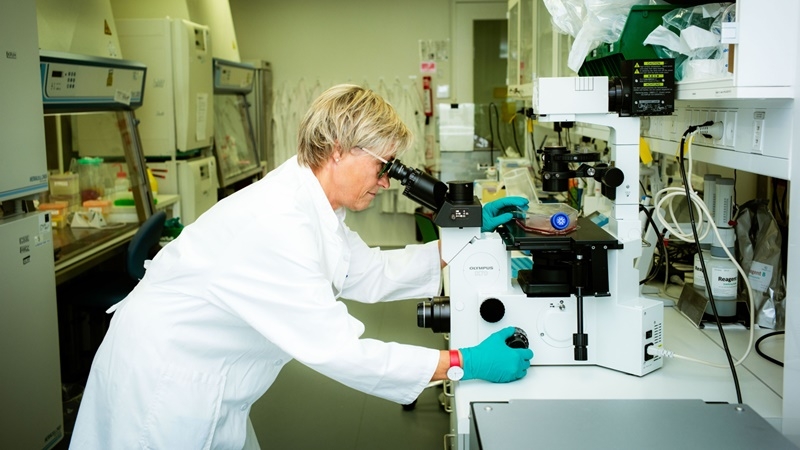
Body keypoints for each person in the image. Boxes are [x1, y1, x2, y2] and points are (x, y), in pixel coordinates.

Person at [70, 84, 532, 449]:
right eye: (383, 165)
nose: (387, 180)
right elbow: (339, 351)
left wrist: (459, 241)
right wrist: (461, 362)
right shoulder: (279, 224)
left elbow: (365, 272)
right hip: (165, 390)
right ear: (337, 148)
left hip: (210, 380)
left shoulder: (312, 203)